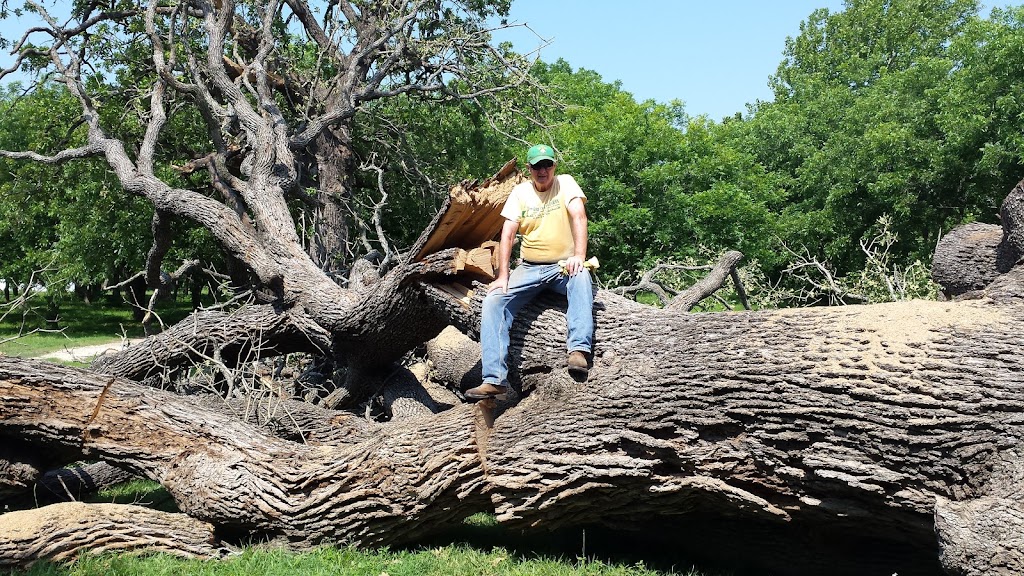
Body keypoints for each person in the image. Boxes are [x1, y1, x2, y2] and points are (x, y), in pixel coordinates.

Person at [466, 143, 594, 400]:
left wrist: (579, 256)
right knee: (493, 301)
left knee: (581, 277)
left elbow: (579, 216)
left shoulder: (566, 183)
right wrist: (503, 276)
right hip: (529, 267)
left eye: (547, 165)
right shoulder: (520, 192)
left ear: (554, 166)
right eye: (537, 166)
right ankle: (494, 380)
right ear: (529, 169)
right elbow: (508, 233)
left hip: (562, 266)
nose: (542, 170)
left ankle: (578, 350)